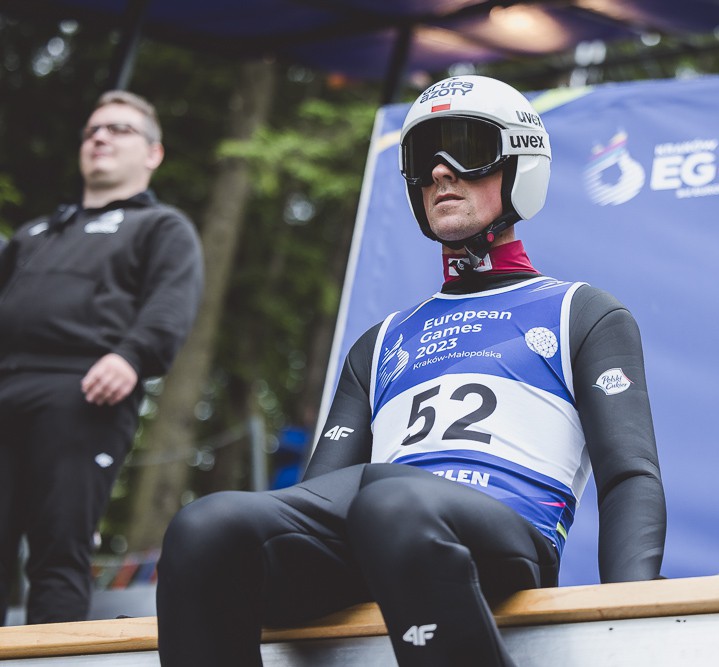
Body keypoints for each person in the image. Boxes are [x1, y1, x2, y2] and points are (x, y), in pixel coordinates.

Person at [156, 75, 665, 666]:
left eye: (468, 150)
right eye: (425, 159)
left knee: (389, 500)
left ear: (520, 165)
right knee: (206, 526)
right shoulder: (380, 342)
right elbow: (315, 503)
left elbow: (628, 476)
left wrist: (632, 618)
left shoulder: (582, 311)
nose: (442, 172)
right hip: (379, 530)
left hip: (500, 533)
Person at [0, 90, 204, 625]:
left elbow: (171, 304)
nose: (100, 138)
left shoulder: (161, 227)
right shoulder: (36, 234)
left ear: (153, 153)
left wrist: (132, 356)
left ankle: (52, 660)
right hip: (5, 386)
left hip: (84, 392)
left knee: (58, 546)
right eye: (92, 130)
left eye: (118, 129)